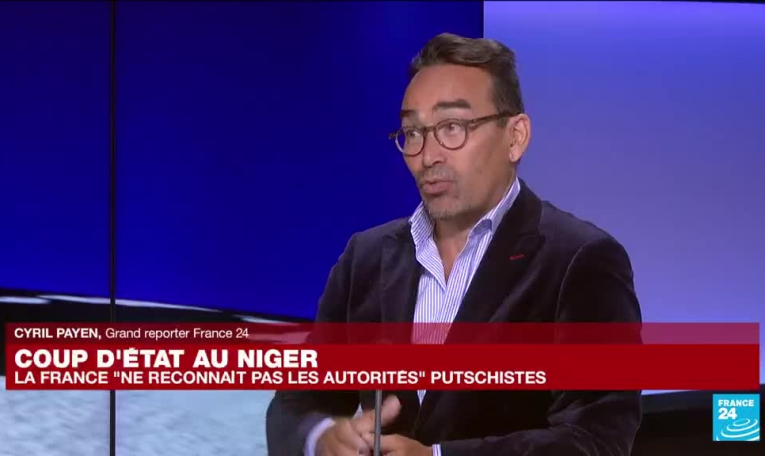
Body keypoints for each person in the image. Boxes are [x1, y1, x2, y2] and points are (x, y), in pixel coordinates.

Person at [266, 32, 642, 456]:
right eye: (413, 132)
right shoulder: (366, 258)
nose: (428, 156)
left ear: (515, 136)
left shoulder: (580, 261)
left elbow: (596, 439)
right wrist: (322, 438)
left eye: (452, 128)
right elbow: (296, 403)